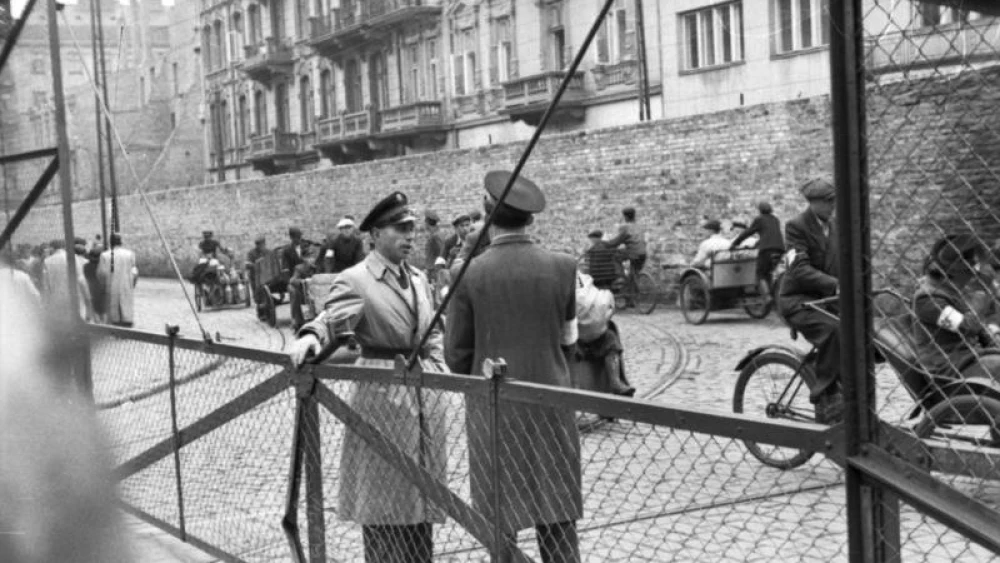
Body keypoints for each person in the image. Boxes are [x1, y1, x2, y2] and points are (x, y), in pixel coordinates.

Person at [289, 192, 448, 563]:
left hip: (425, 402)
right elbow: (332, 318)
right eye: (399, 229)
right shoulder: (356, 279)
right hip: (382, 403)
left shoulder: (419, 278)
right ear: (374, 234)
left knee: (422, 505)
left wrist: (439, 369)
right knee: (385, 506)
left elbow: (434, 332)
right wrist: (312, 336)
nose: (409, 237)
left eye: (411, 229)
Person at [446, 170, 582, 563]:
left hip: (494, 412)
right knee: (558, 516)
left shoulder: (467, 274)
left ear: (487, 214)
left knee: (499, 522)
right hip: (553, 406)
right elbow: (569, 339)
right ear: (532, 218)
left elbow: (456, 354)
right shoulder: (564, 266)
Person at [777, 178, 841, 423]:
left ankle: (839, 382)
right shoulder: (796, 226)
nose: (832, 207)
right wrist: (835, 284)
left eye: (833, 202)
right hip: (798, 301)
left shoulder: (833, 226)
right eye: (827, 203)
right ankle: (825, 392)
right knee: (833, 330)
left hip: (825, 300)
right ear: (813, 203)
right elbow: (799, 268)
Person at [911, 234, 1000, 381]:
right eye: (968, 270)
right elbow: (967, 326)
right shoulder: (927, 298)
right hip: (948, 367)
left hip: (970, 358)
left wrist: (994, 342)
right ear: (952, 270)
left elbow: (979, 329)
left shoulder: (953, 289)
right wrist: (984, 294)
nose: (973, 274)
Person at [731, 201, 785, 303]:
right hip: (780, 249)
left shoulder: (759, 219)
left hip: (767, 250)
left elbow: (748, 232)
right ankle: (773, 291)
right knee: (768, 271)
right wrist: (756, 245)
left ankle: (767, 297)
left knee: (759, 273)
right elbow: (769, 235)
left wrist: (735, 243)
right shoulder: (775, 219)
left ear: (760, 210)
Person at [42, 238, 92, 321]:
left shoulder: (47, 261)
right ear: (64, 247)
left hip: (57, 302)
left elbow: (46, 288)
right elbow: (82, 281)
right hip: (76, 300)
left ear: (52, 248)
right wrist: (88, 301)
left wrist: (46, 307)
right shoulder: (74, 258)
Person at [98, 233, 139, 328]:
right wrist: (132, 284)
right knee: (126, 309)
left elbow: (101, 274)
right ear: (121, 242)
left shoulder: (105, 255)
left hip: (111, 286)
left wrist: (103, 286)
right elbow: (135, 272)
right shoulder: (130, 254)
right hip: (126, 285)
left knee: (113, 312)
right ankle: (127, 325)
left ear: (110, 242)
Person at [283, 227, 312, 331]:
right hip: (293, 279)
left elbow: (312, 259)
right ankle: (296, 320)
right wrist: (290, 281)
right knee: (294, 292)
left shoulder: (307, 245)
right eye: (296, 238)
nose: (299, 240)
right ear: (291, 238)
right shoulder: (286, 250)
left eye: (300, 237)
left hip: (308, 276)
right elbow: (285, 269)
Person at [607, 206, 648, 276]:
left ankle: (620, 278)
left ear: (625, 217)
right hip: (643, 254)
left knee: (614, 256)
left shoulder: (625, 227)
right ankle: (634, 282)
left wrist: (606, 243)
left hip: (633, 253)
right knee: (634, 274)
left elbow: (616, 242)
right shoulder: (639, 226)